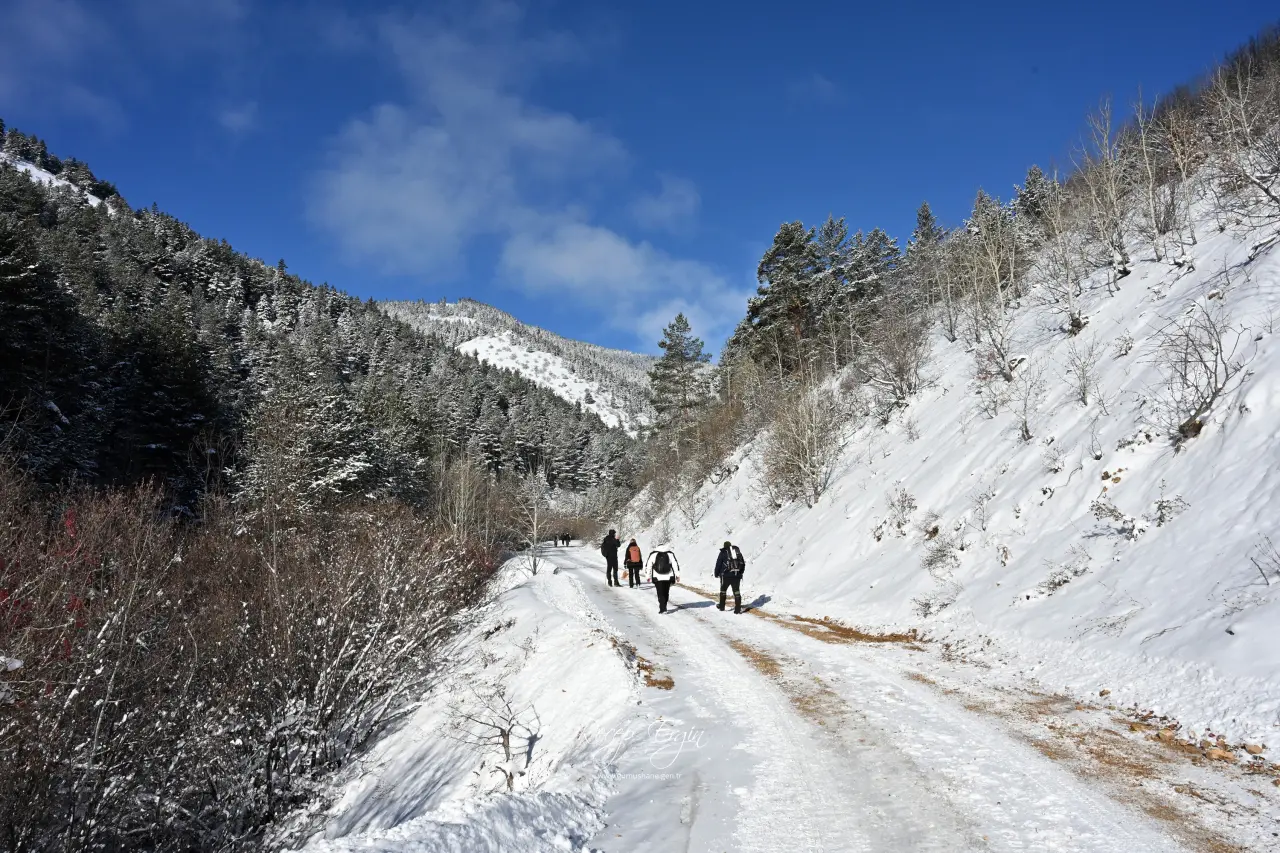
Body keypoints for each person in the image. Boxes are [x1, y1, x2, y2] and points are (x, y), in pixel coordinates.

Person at [714, 541, 745, 614]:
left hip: (725, 576)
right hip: (736, 576)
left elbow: (718, 564)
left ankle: (722, 607)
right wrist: (740, 573)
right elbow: (742, 564)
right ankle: (737, 609)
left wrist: (716, 573)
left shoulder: (723, 552)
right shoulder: (737, 552)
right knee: (736, 592)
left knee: (723, 591)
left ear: (724, 546)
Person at [646, 549, 681, 613]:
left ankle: (662, 608)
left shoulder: (653, 554)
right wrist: (677, 575)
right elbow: (675, 565)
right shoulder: (670, 554)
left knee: (660, 593)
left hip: (657, 577)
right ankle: (664, 606)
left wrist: (648, 576)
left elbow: (648, 566)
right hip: (668, 577)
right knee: (666, 592)